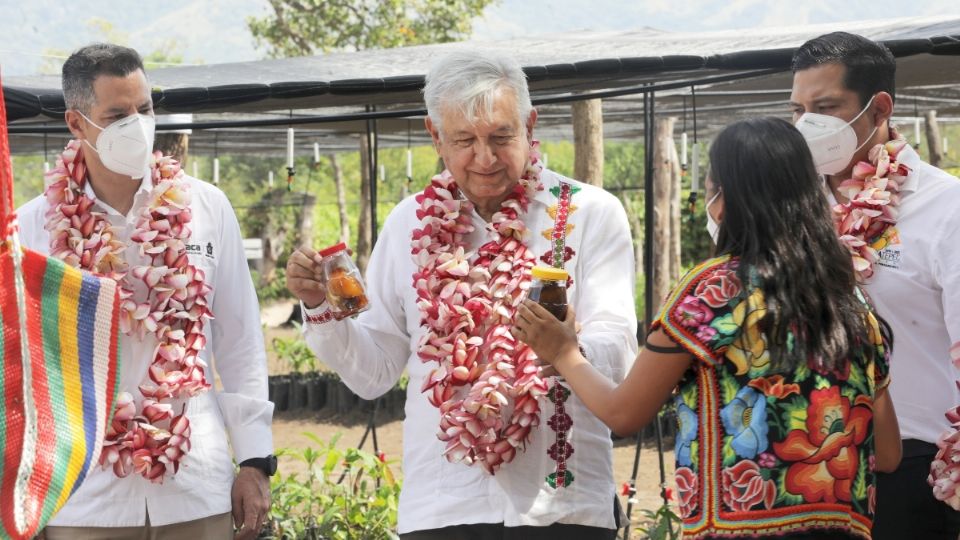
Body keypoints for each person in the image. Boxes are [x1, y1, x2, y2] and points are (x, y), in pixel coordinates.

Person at [286, 50, 637, 539]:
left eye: (500, 136)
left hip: (562, 508)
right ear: (435, 136)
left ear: (530, 124)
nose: (486, 158)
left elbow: (618, 357)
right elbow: (375, 374)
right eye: (464, 141)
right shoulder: (408, 223)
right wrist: (321, 307)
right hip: (444, 509)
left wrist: (564, 349)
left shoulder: (591, 214)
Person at [514, 117, 901, 540]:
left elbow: (624, 413)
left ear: (728, 196)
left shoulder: (716, 289)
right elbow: (888, 452)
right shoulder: (850, 302)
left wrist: (564, 352)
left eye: (709, 186)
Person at [17, 43, 274, 539]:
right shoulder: (34, 227)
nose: (137, 125)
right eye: (117, 115)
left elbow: (240, 342)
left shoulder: (206, 207)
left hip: (194, 480)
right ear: (76, 124)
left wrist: (255, 459)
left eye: (145, 109)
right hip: (84, 494)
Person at [790, 32, 960, 540]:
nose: (808, 124)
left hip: (911, 466)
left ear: (879, 107)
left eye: (825, 107)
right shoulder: (793, 209)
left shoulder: (946, 208)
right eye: (798, 109)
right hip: (803, 461)